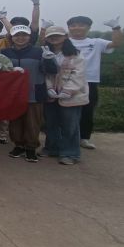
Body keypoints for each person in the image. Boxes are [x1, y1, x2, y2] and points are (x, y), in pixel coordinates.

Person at [1, 25, 57, 163]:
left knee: (33, 121)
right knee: (15, 121)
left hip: (34, 92)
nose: (20, 38)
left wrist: (49, 60)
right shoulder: (5, 52)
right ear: (11, 37)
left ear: (29, 37)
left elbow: (52, 70)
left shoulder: (39, 51)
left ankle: (31, 148)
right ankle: (18, 145)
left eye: (24, 35)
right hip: (13, 93)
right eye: (17, 35)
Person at [66, 15, 122, 149]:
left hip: (89, 81)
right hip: (68, 81)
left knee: (87, 110)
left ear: (88, 27)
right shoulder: (65, 42)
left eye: (81, 25)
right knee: (66, 110)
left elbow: (116, 43)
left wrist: (116, 27)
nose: (77, 28)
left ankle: (84, 138)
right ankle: (66, 137)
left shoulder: (96, 42)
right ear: (69, 28)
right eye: (73, 25)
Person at [41, 26, 89, 165]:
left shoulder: (76, 54)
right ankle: (52, 148)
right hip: (51, 95)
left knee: (70, 125)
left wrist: (68, 90)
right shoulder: (46, 53)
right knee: (51, 123)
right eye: (51, 36)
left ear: (65, 36)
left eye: (58, 35)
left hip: (72, 96)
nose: (54, 38)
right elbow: (46, 73)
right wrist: (49, 88)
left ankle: (70, 153)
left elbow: (78, 74)